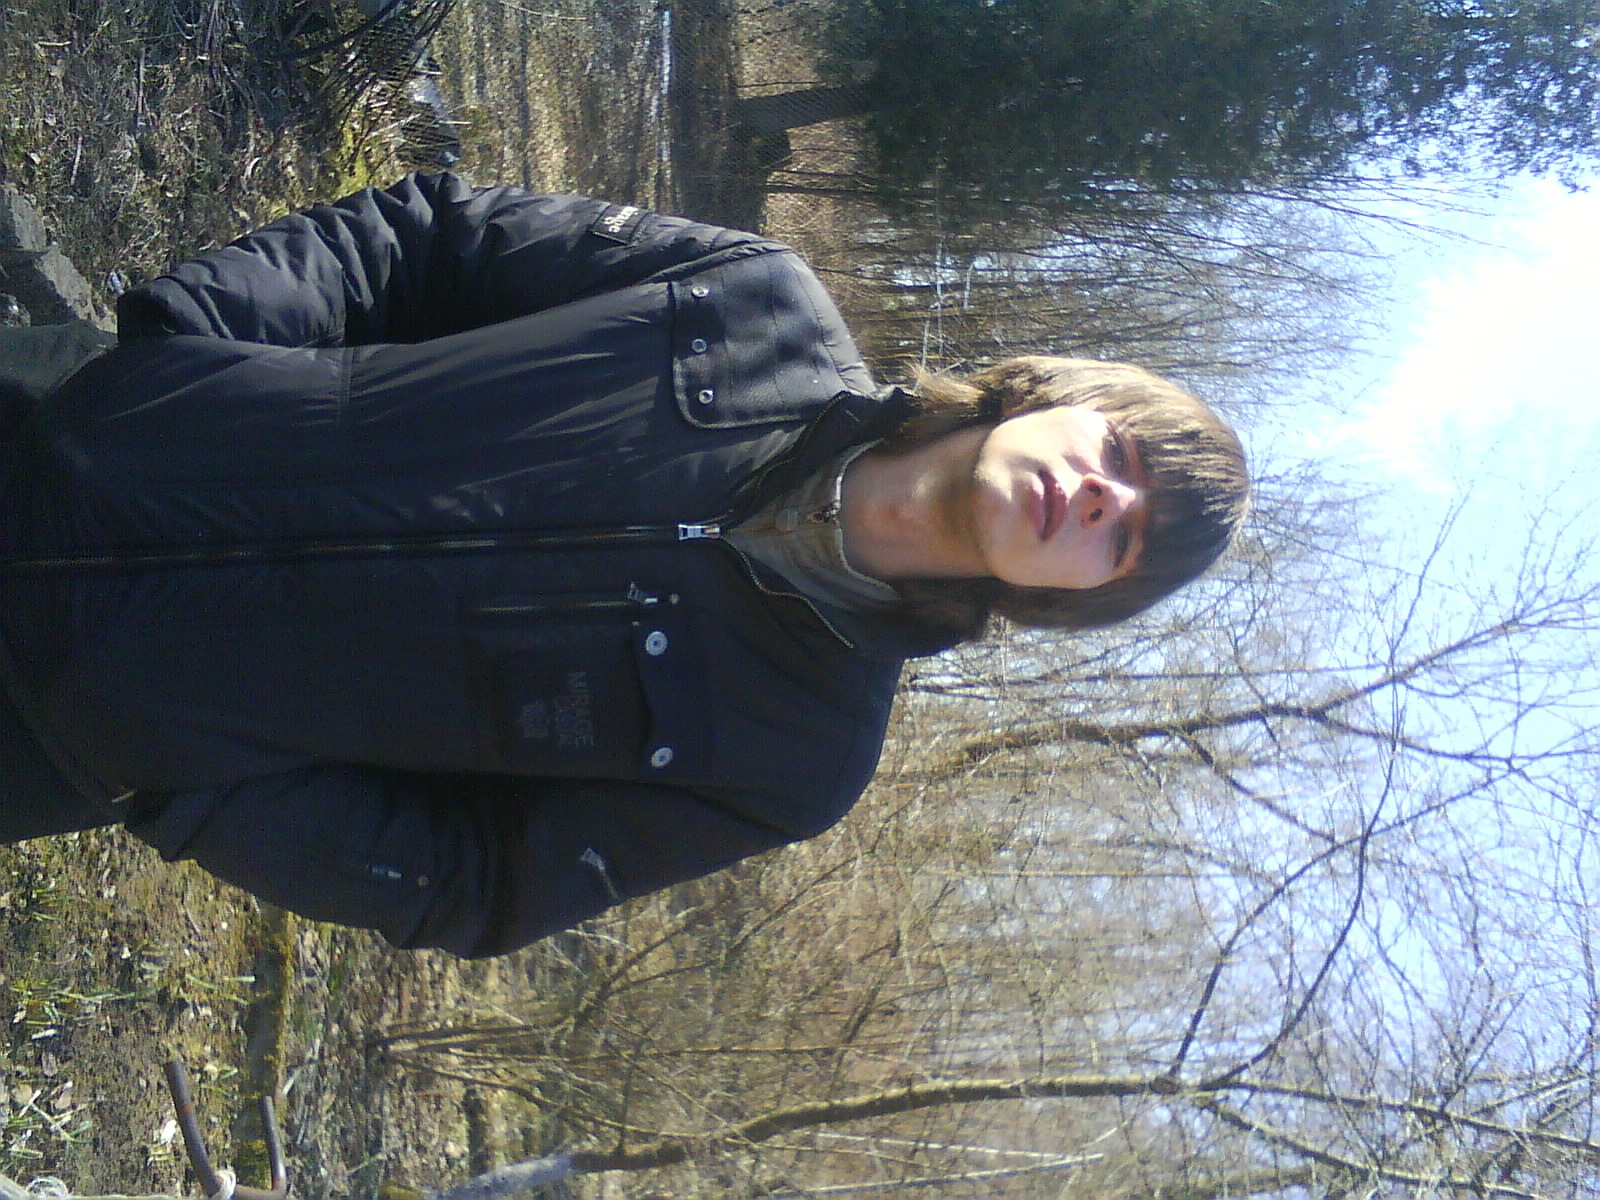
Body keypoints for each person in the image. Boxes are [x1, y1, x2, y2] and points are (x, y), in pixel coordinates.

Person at [0, 173, 1248, 957]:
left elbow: (477, 880)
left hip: (47, 733)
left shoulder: (797, 760)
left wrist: (187, 785)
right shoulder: (746, 302)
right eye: (1118, 452)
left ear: (1078, 595)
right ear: (1055, 394)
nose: (1098, 494)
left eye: (1122, 535)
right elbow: (429, 241)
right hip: (58, 425)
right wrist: (189, 342)